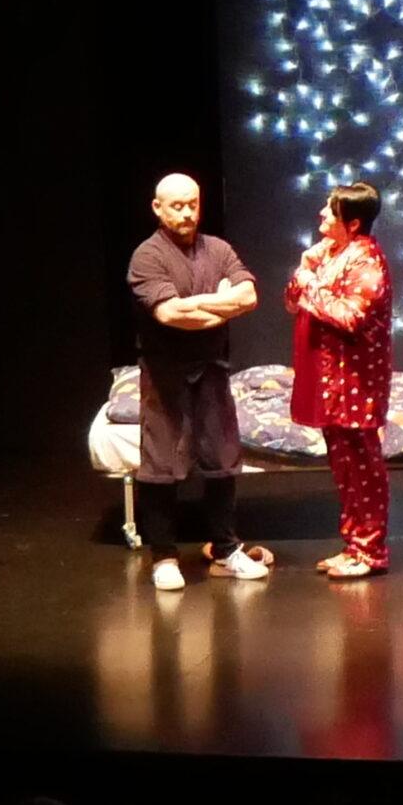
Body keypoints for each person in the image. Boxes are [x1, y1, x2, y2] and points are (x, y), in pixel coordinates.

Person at [125, 173, 272, 590]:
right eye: (177, 205)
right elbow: (169, 314)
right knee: (160, 465)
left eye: (193, 203)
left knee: (222, 461)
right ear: (157, 208)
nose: (187, 212)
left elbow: (249, 297)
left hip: (212, 370)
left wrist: (199, 307)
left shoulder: (218, 249)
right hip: (165, 375)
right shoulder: (147, 256)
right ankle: (164, 556)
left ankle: (226, 550)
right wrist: (221, 304)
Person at [287, 181, 393, 577]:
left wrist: (309, 281)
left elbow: (350, 316)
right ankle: (354, 546)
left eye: (330, 210)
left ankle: (370, 551)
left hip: (355, 381)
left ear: (353, 223)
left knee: (362, 464)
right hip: (330, 379)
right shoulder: (331, 254)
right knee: (345, 466)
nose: (321, 214)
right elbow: (292, 300)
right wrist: (307, 270)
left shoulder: (366, 260)